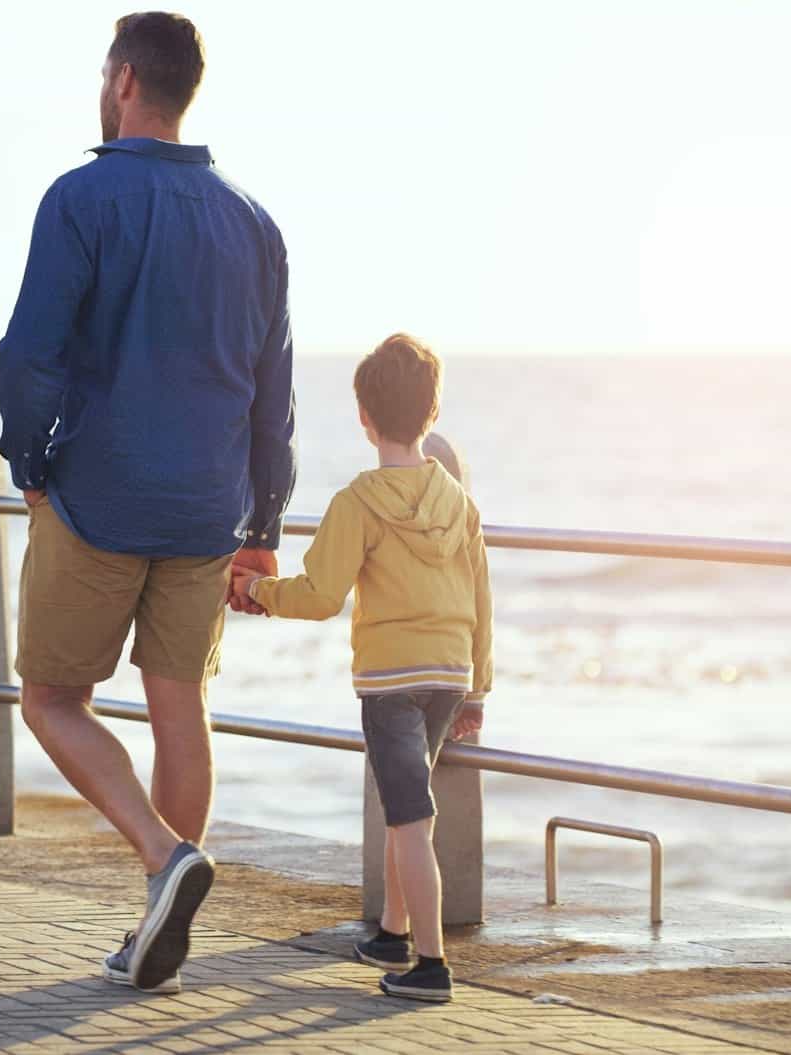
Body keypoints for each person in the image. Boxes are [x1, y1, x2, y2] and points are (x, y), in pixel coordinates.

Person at [0, 11, 296, 995]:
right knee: (180, 705)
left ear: (123, 80)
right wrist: (261, 528)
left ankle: (164, 859)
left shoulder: (80, 197)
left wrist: (26, 457)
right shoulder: (253, 221)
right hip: (209, 507)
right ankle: (160, 921)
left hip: (99, 493)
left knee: (48, 696)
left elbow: (29, 351)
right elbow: (271, 392)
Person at [232, 334, 493, 1003]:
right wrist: (478, 686)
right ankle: (390, 930)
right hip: (448, 673)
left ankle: (430, 964)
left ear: (364, 419)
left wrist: (259, 591)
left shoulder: (358, 501)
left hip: (392, 683)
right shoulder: (458, 502)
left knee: (408, 815)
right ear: (430, 414)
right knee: (407, 805)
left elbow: (320, 595)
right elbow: (481, 594)